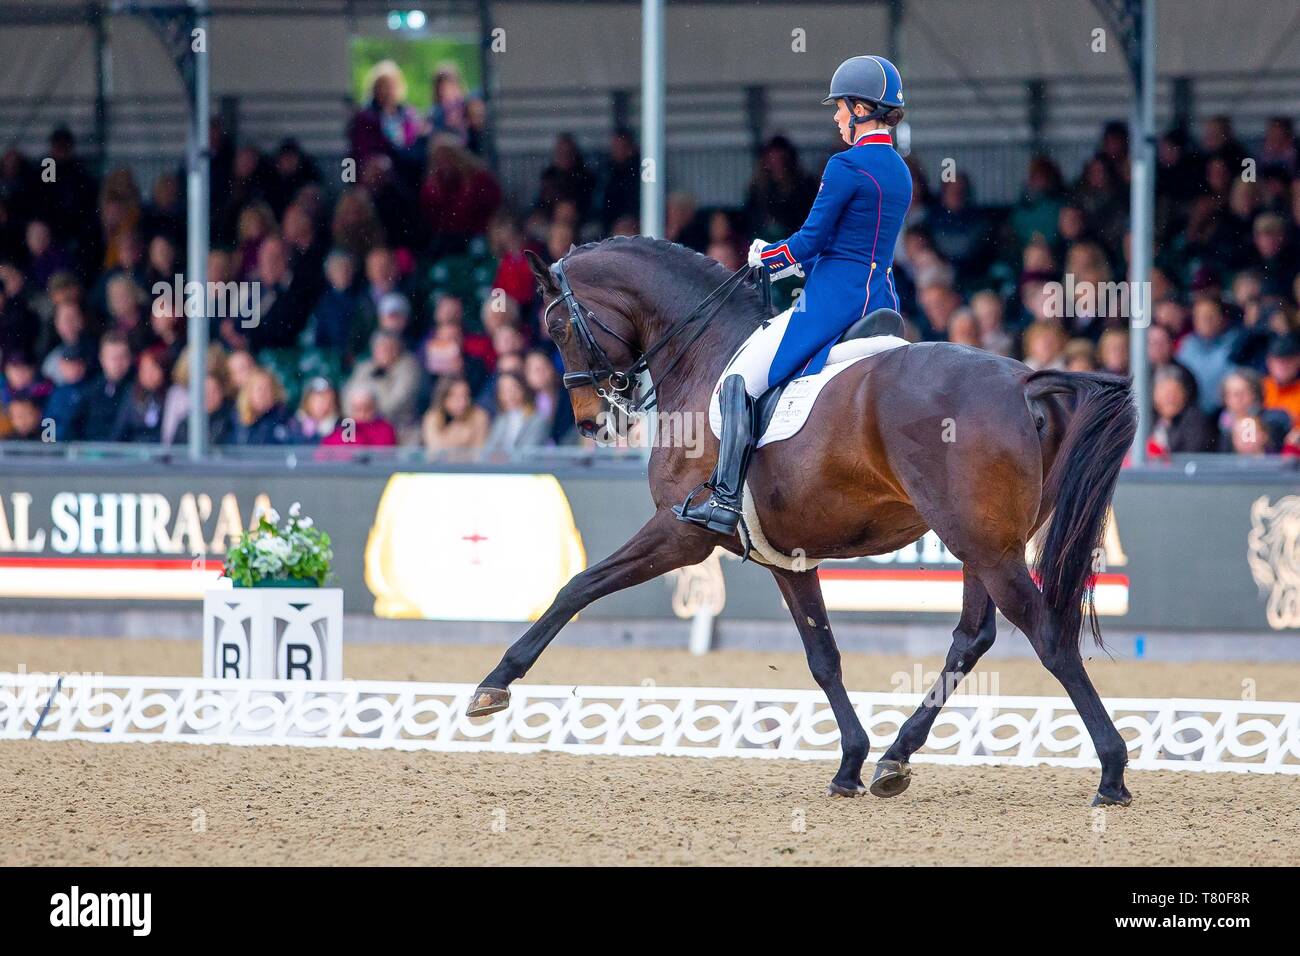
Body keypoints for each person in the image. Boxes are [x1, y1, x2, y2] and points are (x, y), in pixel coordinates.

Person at [676, 55, 911, 536]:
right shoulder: (901, 171)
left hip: (831, 301)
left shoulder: (845, 165)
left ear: (862, 108)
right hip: (881, 298)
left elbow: (811, 241)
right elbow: (857, 242)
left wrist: (766, 257)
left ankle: (724, 500)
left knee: (739, 379)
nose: (836, 117)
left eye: (841, 107)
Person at [422, 374, 489, 454]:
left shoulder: (479, 416)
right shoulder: (433, 416)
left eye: (465, 395)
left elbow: (479, 455)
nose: (462, 402)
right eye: (455, 396)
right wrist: (458, 435)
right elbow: (435, 452)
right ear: (443, 398)